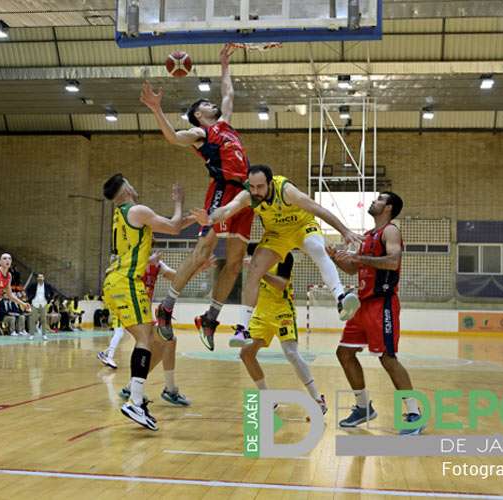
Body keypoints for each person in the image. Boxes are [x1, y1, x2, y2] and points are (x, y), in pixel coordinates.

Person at [141, 43, 253, 351]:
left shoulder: (226, 125)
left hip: (244, 197)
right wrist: (156, 109)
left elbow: (228, 94)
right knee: (203, 252)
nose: (213, 103)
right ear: (197, 114)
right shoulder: (202, 134)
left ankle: (210, 317)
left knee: (233, 264)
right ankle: (166, 307)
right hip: (221, 191)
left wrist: (225, 65)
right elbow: (174, 138)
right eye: (206, 103)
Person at [196, 164, 362, 348]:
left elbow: (317, 209)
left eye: (260, 186)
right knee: (253, 271)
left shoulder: (286, 190)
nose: (255, 191)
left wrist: (345, 230)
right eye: (252, 186)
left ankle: (340, 299)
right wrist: (210, 218)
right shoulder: (248, 195)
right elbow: (227, 209)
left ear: (270, 183)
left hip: (302, 226)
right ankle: (243, 330)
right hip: (277, 235)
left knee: (317, 248)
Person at [328, 192, 424, 432]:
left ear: (388, 207)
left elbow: (392, 261)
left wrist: (359, 257)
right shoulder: (368, 236)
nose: (374, 200)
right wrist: (336, 258)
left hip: (382, 304)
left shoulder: (390, 231)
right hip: (362, 304)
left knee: (388, 358)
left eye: (379, 199)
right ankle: (363, 408)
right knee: (344, 353)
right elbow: (352, 269)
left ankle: (414, 413)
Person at [101, 173, 186, 431]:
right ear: (126, 187)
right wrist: (179, 203)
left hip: (115, 282)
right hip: (127, 281)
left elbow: (166, 225)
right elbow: (174, 227)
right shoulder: (137, 209)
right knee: (145, 339)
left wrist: (198, 219)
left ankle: (136, 397)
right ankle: (135, 401)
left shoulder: (122, 214)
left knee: (150, 338)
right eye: (131, 181)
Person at [100, 250, 214, 407]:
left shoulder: (157, 265)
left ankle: (133, 387)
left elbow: (177, 278)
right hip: (125, 306)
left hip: (140, 311)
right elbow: (113, 273)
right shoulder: (130, 261)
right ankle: (166, 390)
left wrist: (197, 269)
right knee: (159, 341)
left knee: (164, 342)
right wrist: (147, 261)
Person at [239, 243, 327, 414]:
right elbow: (239, 249)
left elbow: (280, 284)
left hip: (282, 311)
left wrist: (259, 271)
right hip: (262, 312)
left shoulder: (285, 255)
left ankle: (317, 399)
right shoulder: (257, 250)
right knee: (246, 354)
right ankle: (267, 398)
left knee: (291, 354)